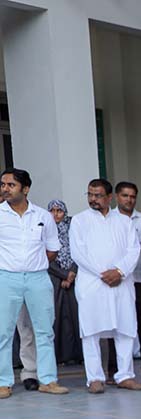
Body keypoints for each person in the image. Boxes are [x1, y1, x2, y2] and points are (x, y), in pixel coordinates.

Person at [69, 179, 141, 394]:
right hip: (93, 283)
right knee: (91, 331)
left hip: (120, 282)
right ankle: (94, 378)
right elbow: (78, 252)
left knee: (125, 328)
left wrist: (119, 271)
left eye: (98, 195)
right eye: (90, 194)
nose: (93, 199)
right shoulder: (80, 221)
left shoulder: (124, 221)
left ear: (109, 197)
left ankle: (125, 375)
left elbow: (133, 250)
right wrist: (104, 272)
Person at [0, 168, 67, 397]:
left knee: (44, 331)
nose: (5, 189)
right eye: (3, 185)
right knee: (3, 333)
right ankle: (3, 382)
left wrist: (33, 264)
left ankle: (48, 380)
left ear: (25, 189)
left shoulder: (42, 216)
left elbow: (52, 249)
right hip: (7, 278)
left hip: (38, 278)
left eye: (11, 185)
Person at [109, 182, 141, 383]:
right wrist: (140, 242)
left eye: (132, 196)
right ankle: (114, 371)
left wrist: (134, 242)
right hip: (118, 281)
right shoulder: (109, 219)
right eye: (124, 195)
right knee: (116, 327)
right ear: (116, 197)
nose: (128, 199)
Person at [46, 200, 83, 365]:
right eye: (52, 211)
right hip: (54, 277)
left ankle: (78, 354)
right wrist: (62, 275)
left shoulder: (73, 229)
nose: (56, 214)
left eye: (59, 211)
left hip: (76, 276)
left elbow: (79, 250)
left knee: (77, 316)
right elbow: (44, 256)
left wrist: (72, 273)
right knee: (58, 316)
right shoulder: (45, 230)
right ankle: (60, 356)